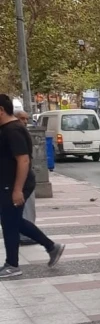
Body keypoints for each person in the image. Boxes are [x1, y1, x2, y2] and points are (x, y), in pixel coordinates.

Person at [0, 95, 65, 277]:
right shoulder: (7, 129)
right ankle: (51, 247)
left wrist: (17, 189)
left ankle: (12, 264)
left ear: (1, 110)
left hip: (14, 184)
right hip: (8, 184)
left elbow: (23, 160)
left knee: (10, 224)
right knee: (13, 221)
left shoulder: (13, 130)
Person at [13, 109, 37, 246]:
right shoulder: (14, 133)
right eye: (22, 118)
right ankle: (26, 234)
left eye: (26, 119)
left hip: (26, 177)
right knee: (23, 208)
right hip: (21, 178)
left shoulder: (22, 133)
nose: (25, 122)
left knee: (28, 207)